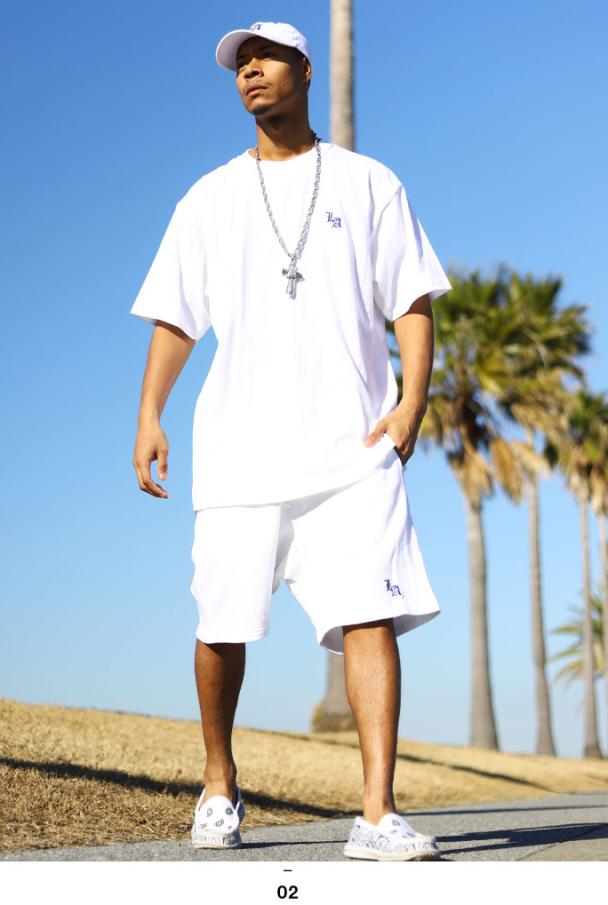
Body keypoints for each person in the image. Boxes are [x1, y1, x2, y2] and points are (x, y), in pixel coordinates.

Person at [130, 20, 452, 862]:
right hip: (239, 450)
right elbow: (176, 318)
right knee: (221, 621)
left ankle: (376, 813)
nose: (250, 72)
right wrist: (150, 413)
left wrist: (412, 403)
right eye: (240, 64)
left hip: (354, 447)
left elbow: (412, 300)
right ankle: (218, 784)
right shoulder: (207, 198)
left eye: (264, 58)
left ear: (305, 70)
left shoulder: (369, 182)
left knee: (369, 614)